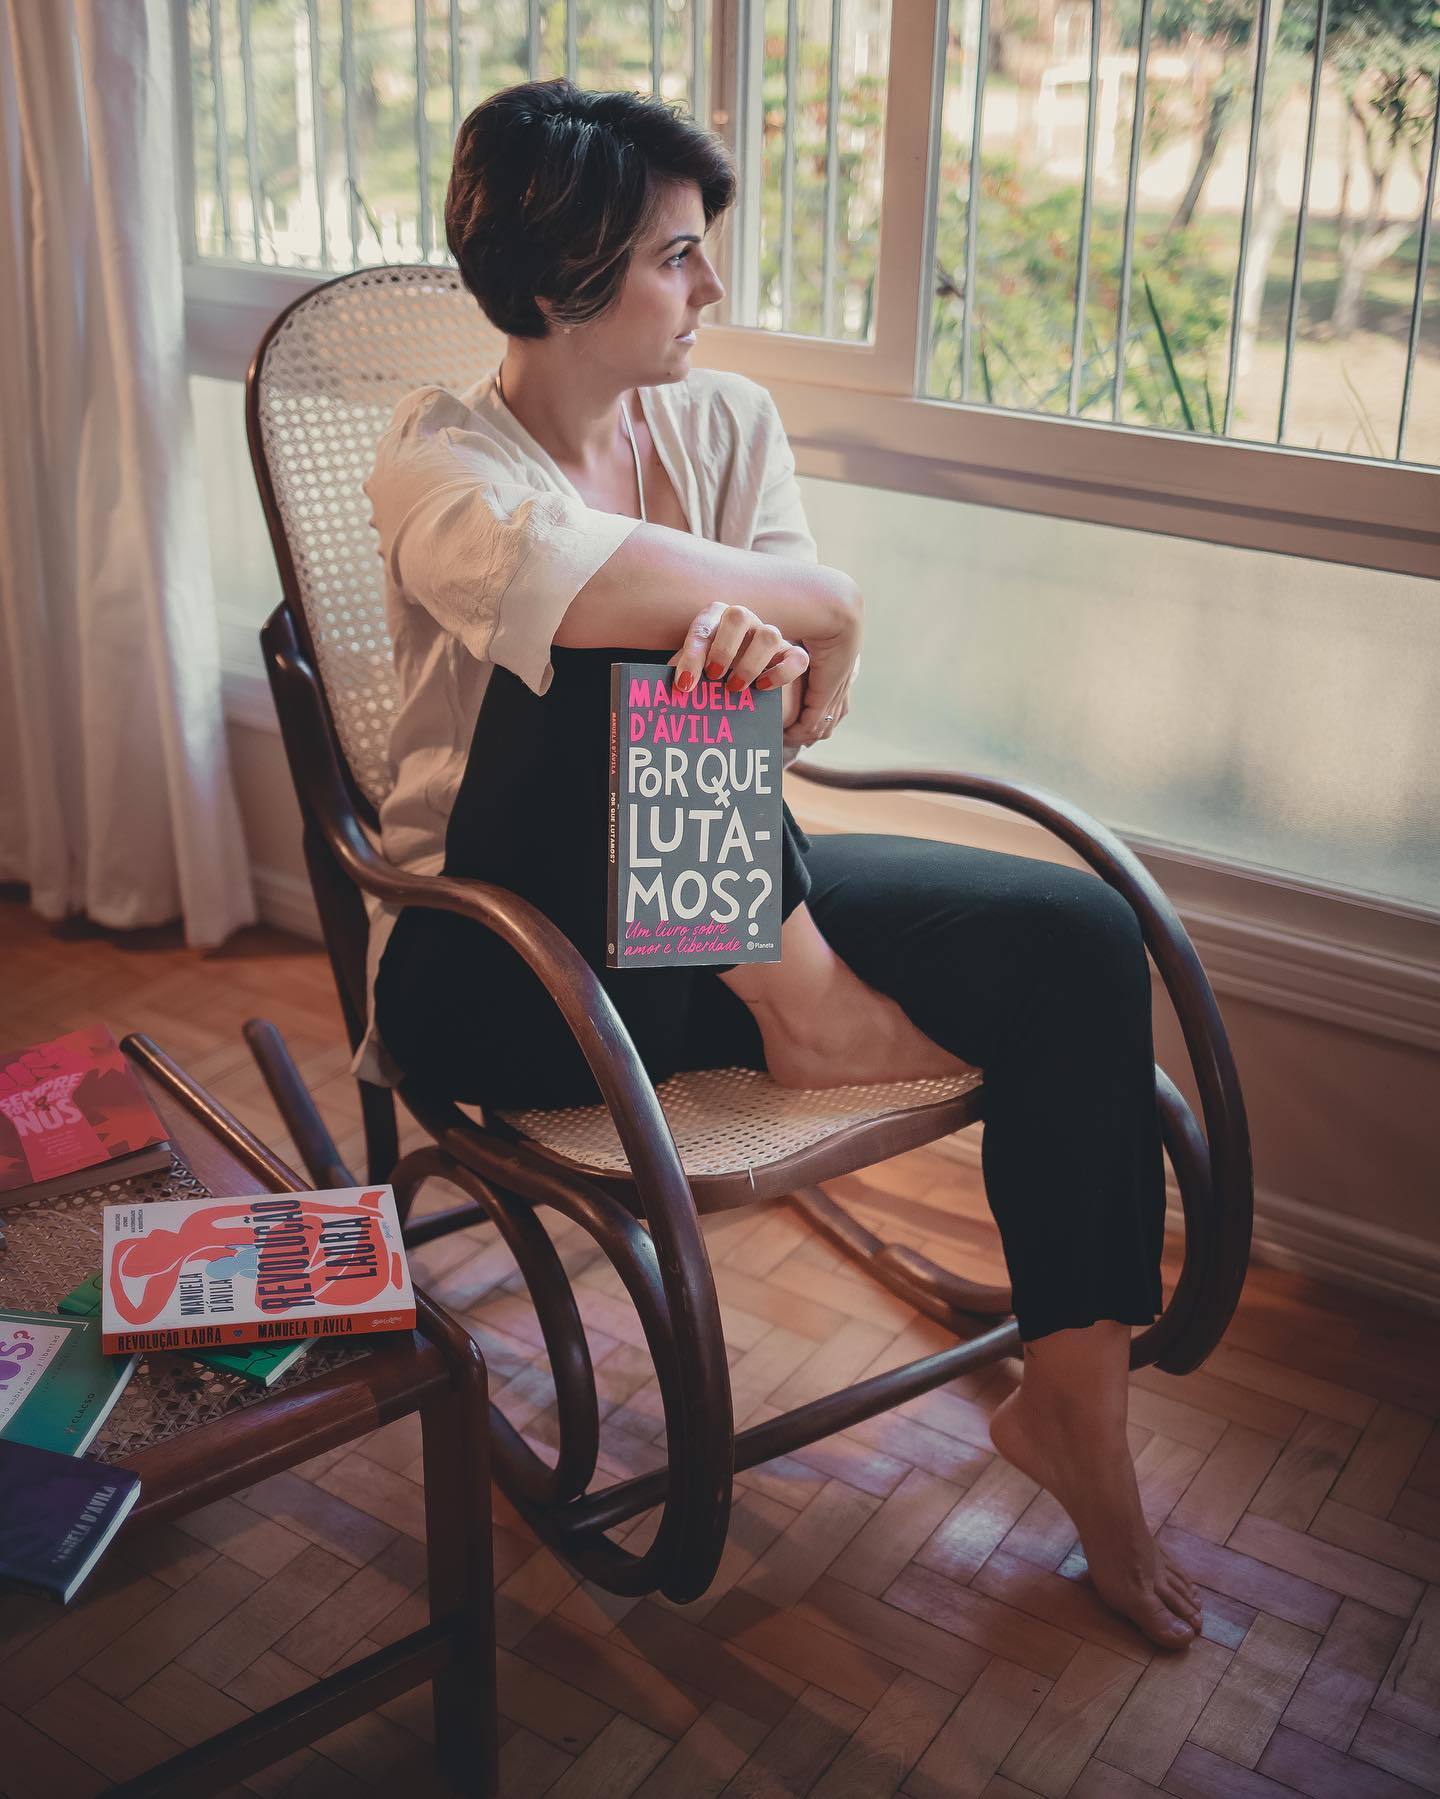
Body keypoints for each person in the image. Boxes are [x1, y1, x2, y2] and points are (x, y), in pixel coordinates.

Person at [366, 77, 1202, 1650]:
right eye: (677, 256)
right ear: (561, 285)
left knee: (1079, 933)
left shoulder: (724, 422)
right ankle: (808, 1006)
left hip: (712, 913)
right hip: (511, 972)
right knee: (613, 640)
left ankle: (1075, 1416)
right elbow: (703, 611)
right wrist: (802, 618)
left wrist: (792, 638)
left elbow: (799, 702)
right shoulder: (436, 457)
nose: (714, 287)